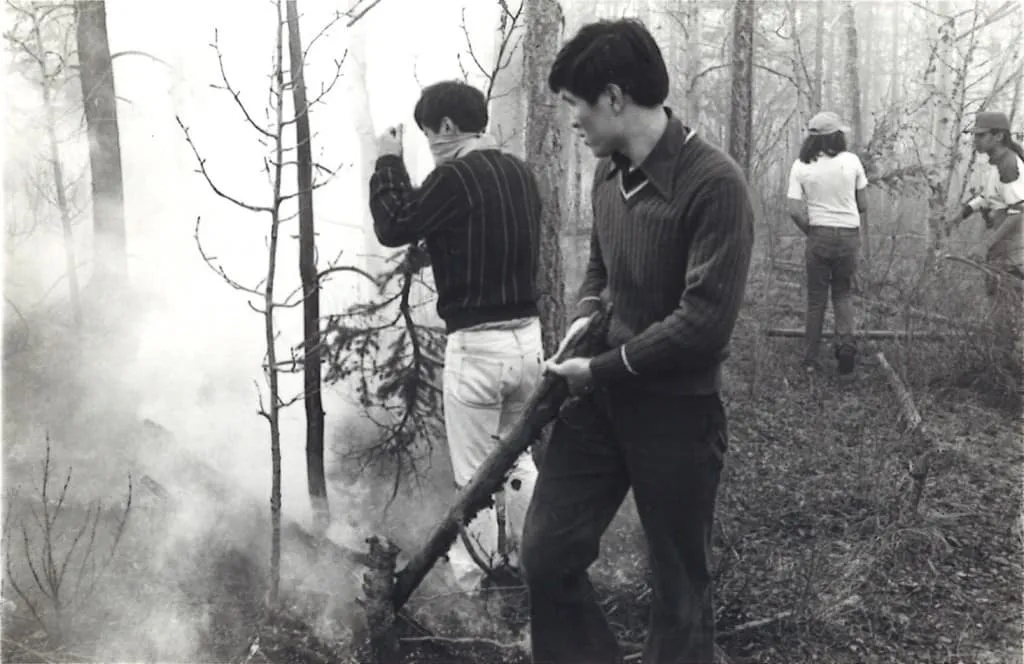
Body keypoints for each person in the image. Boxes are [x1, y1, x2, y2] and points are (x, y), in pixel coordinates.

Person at [524, 19, 755, 664]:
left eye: (575, 103)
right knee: (547, 553)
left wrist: (599, 368)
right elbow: (600, 271)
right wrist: (584, 313)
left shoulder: (714, 184)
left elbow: (703, 322)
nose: (571, 120)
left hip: (676, 413)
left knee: (681, 590)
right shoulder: (608, 175)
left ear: (615, 97)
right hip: (598, 408)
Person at [368, 80, 543, 592]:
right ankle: (536, 566)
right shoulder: (520, 173)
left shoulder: (456, 177)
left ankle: (476, 585)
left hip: (479, 347)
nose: (430, 145)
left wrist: (388, 162)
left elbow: (394, 225)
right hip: (529, 342)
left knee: (474, 476)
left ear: (447, 127)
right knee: (520, 462)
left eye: (428, 134)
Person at [785, 111, 868, 376]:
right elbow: (863, 205)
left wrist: (811, 230)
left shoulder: (800, 166)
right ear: (837, 136)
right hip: (848, 234)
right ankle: (845, 345)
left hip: (818, 233)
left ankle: (810, 359)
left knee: (816, 299)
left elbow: (794, 210)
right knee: (842, 292)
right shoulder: (852, 161)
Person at [945, 111, 1024, 291]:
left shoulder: (1009, 165)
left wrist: (984, 245)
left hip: (1014, 255)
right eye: (974, 135)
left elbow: (1018, 212)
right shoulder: (997, 163)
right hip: (1001, 251)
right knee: (997, 301)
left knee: (1008, 305)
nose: (975, 139)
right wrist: (960, 216)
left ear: (998, 136)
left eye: (981, 135)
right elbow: (988, 197)